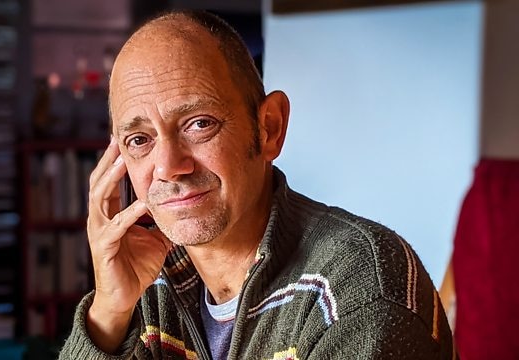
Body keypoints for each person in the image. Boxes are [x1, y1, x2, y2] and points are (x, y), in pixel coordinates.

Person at [60, 10, 455, 360]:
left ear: (269, 128)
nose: (168, 168)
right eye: (140, 141)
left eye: (199, 124)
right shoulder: (148, 281)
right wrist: (109, 311)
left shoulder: (357, 290)